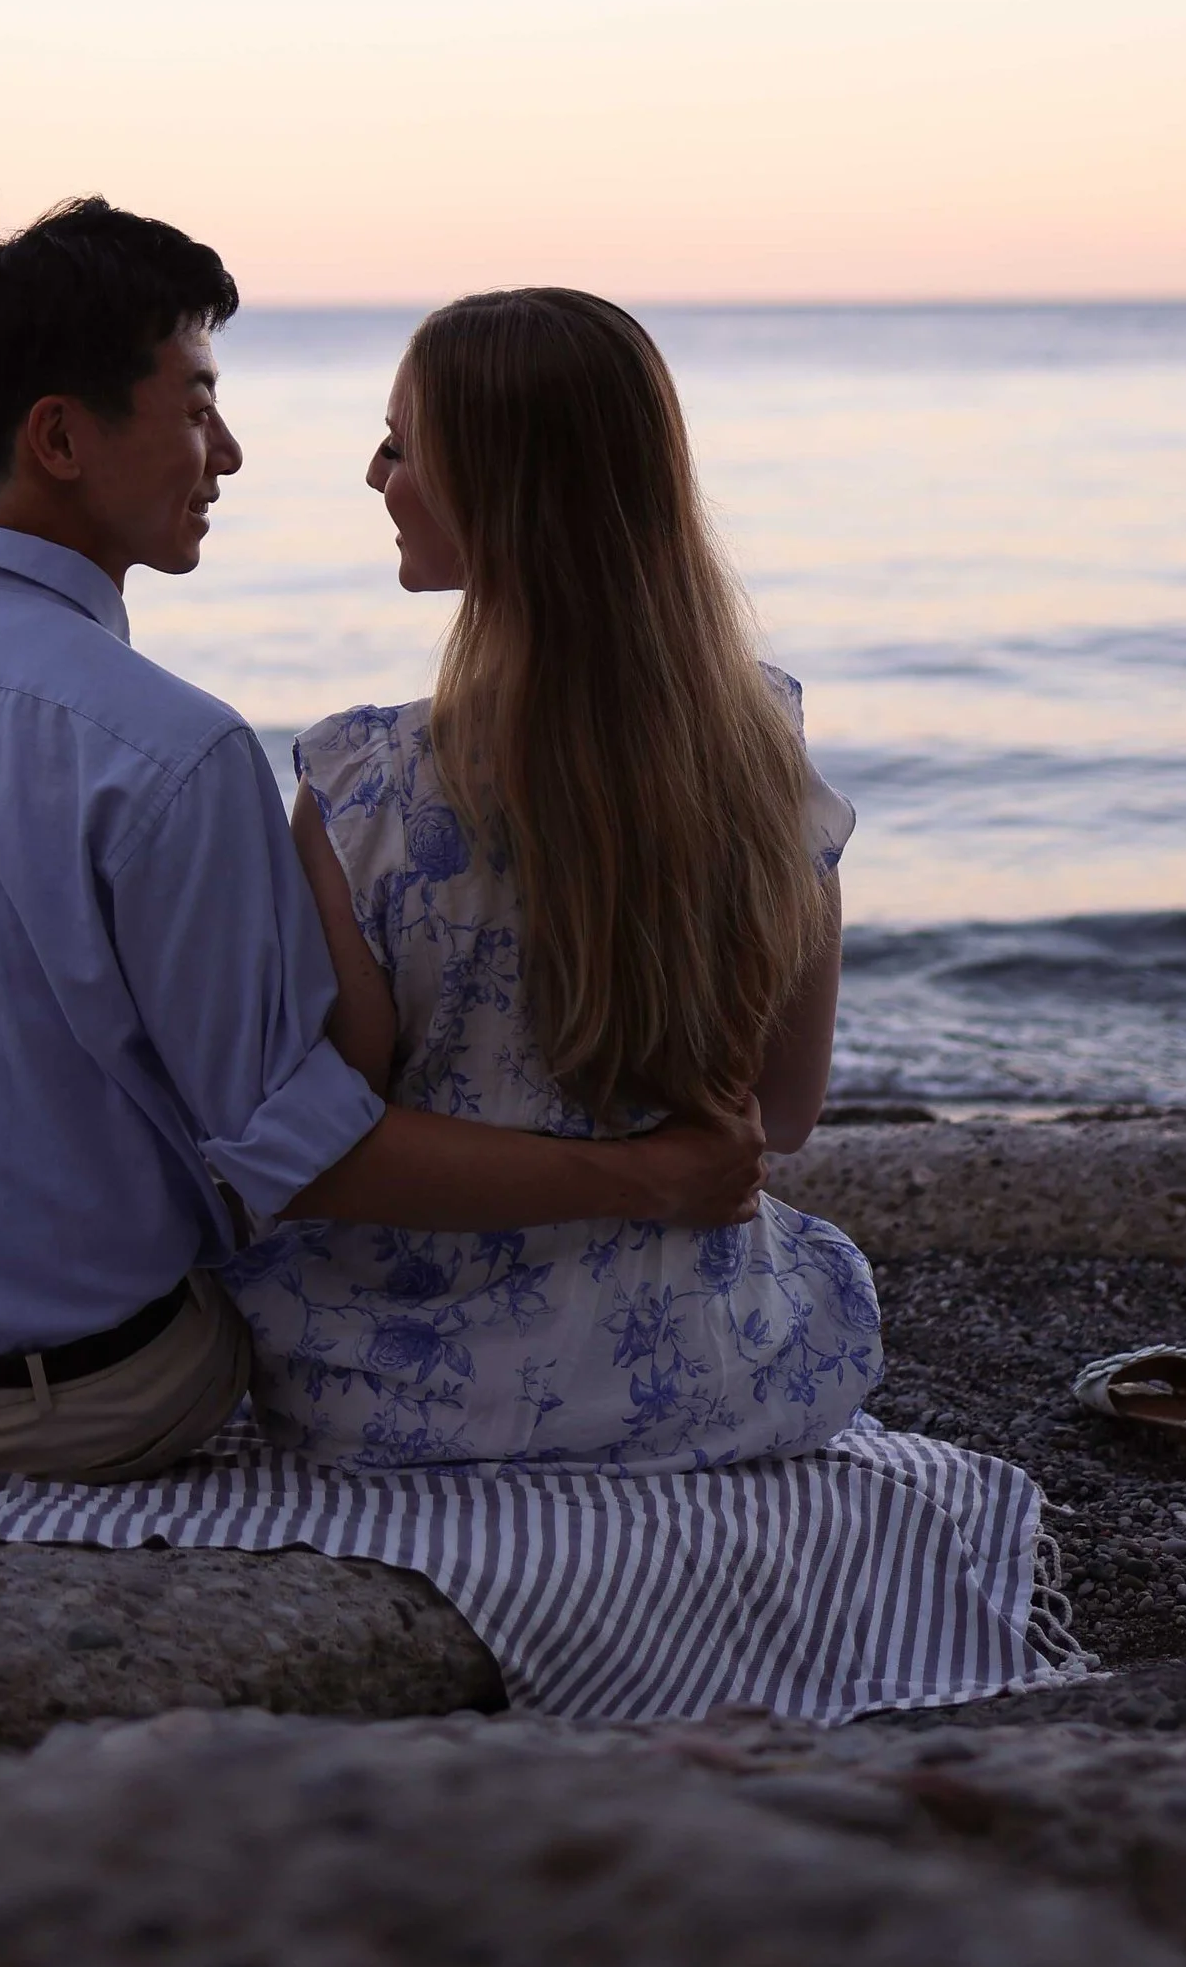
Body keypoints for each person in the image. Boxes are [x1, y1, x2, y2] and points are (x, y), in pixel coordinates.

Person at [0, 200, 768, 1481]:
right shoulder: (175, 749)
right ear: (59, 438)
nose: (231, 453)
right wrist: (651, 1179)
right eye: (198, 406)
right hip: (123, 1399)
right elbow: (299, 1151)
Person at [225, 287, 882, 1467]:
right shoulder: (757, 753)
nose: (375, 475)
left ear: (496, 487)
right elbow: (782, 1115)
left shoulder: (366, 788)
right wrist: (650, 1170)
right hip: (706, 1374)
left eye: (400, 445)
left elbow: (327, 1153)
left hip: (405, 1388)